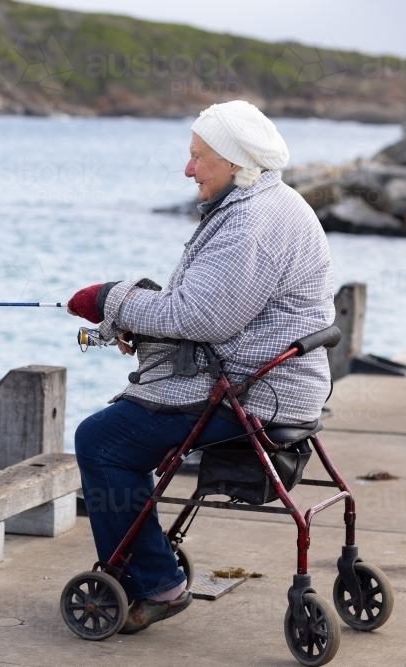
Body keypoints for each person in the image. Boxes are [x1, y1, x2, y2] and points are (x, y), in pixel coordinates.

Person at [66, 100, 334, 634]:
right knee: (124, 436)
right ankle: (150, 560)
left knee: (102, 440)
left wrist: (109, 300)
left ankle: (155, 584)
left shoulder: (251, 223)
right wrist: (141, 325)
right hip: (271, 382)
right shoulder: (271, 201)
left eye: (198, 157)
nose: (188, 170)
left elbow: (201, 316)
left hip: (254, 394)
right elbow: (209, 310)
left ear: (235, 161)